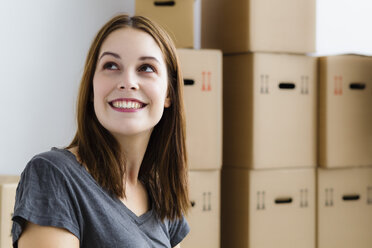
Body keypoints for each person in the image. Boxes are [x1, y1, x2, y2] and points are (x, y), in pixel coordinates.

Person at [11, 14, 190, 248]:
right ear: (93, 89)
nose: (127, 82)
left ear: (168, 93)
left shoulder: (162, 199)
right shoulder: (54, 175)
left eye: (146, 68)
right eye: (111, 66)